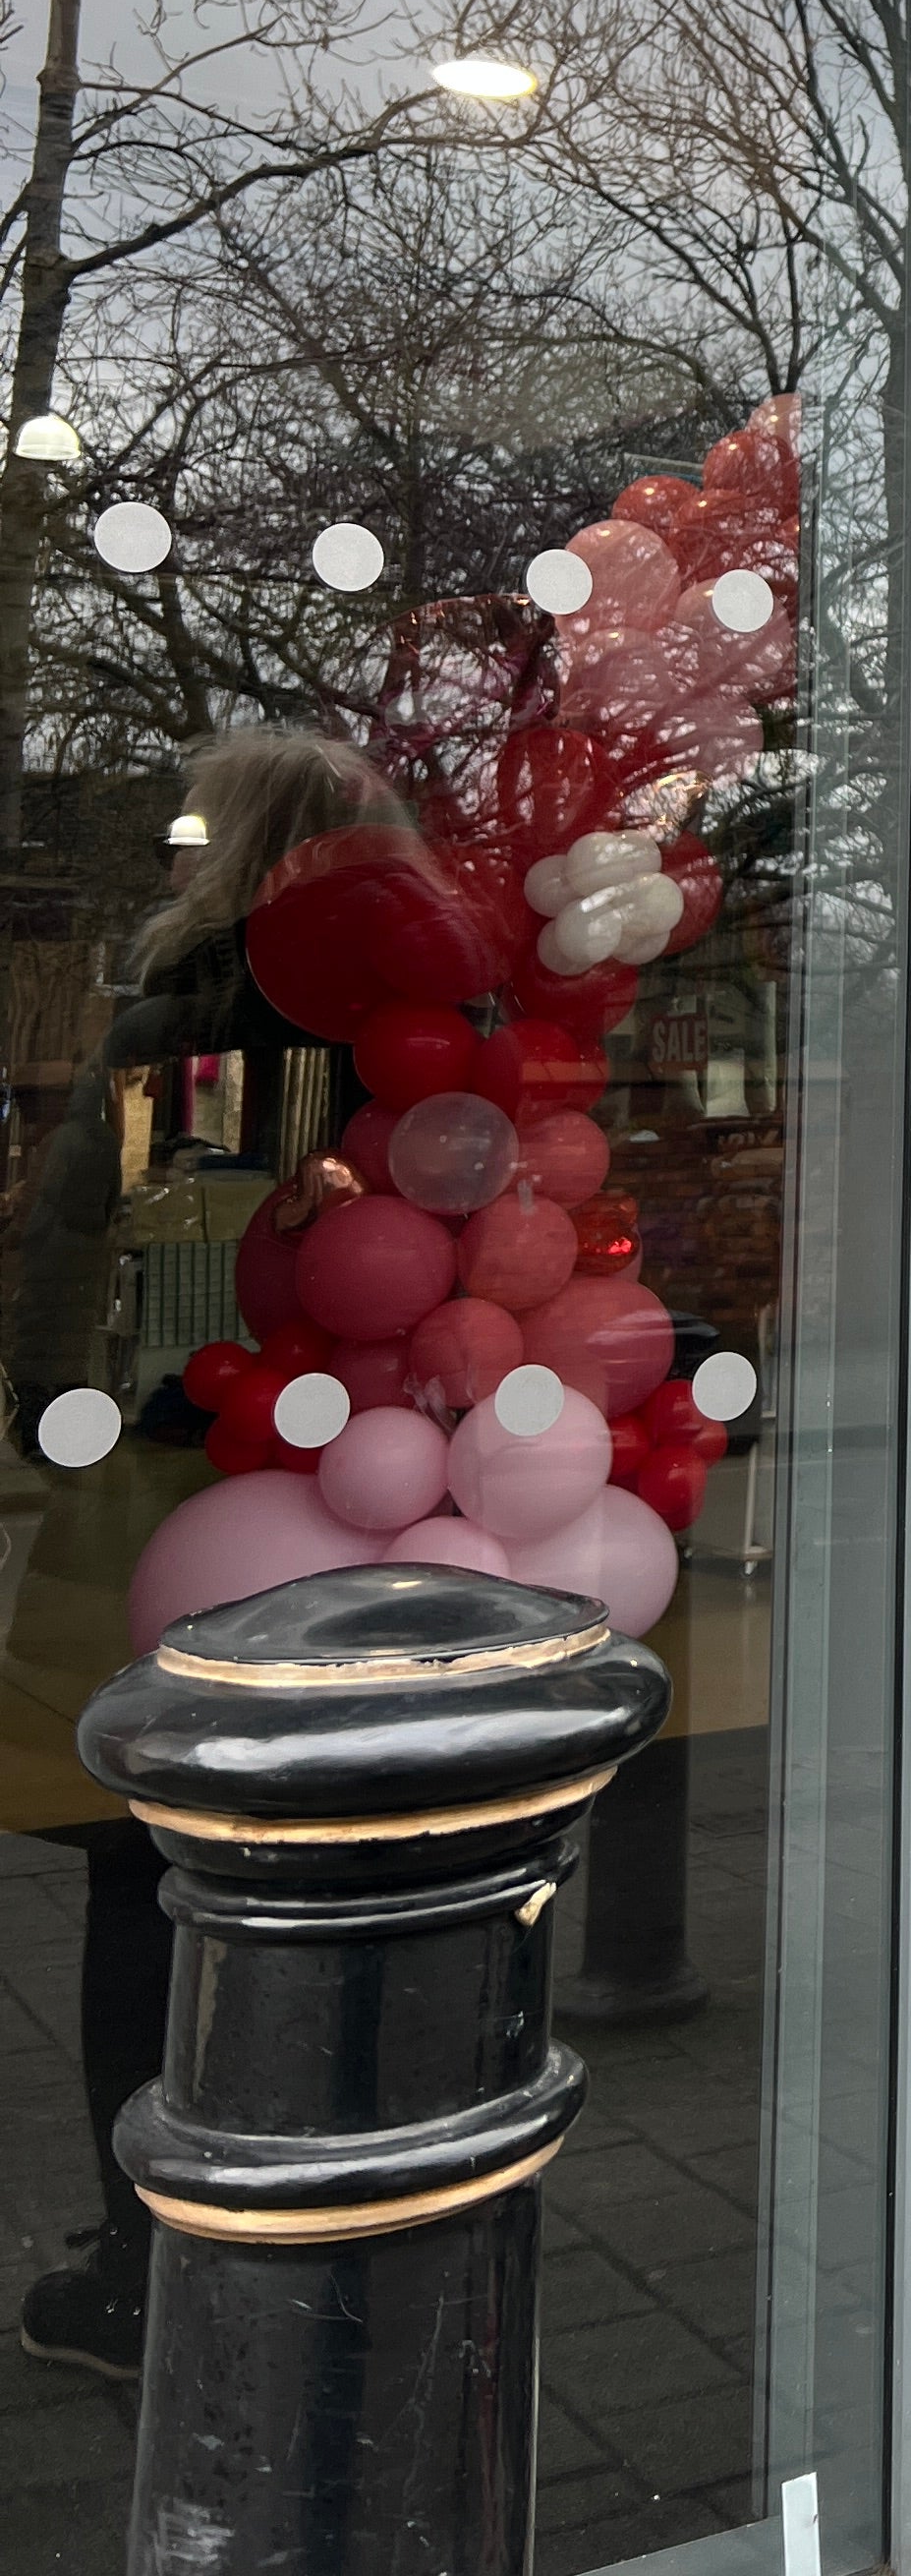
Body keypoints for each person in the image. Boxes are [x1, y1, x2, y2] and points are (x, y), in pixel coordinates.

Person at [6, 724, 402, 2377]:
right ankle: (340, 2214)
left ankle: (144, 2261)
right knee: (351, 1867)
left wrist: (51, 1407)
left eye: (192, 833)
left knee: (136, 1867)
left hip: (172, 1468)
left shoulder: (183, 1027)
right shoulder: (411, 1035)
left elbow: (72, 1249)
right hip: (364, 1484)